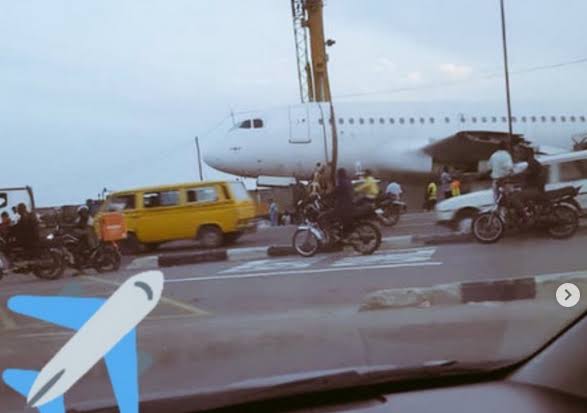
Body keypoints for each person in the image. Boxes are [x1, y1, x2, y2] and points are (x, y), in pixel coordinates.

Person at [320, 168, 355, 235]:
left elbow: (336, 191)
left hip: (343, 206)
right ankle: (340, 232)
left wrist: (325, 196)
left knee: (325, 216)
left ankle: (330, 235)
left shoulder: (341, 181)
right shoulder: (348, 180)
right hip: (349, 204)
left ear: (339, 175)